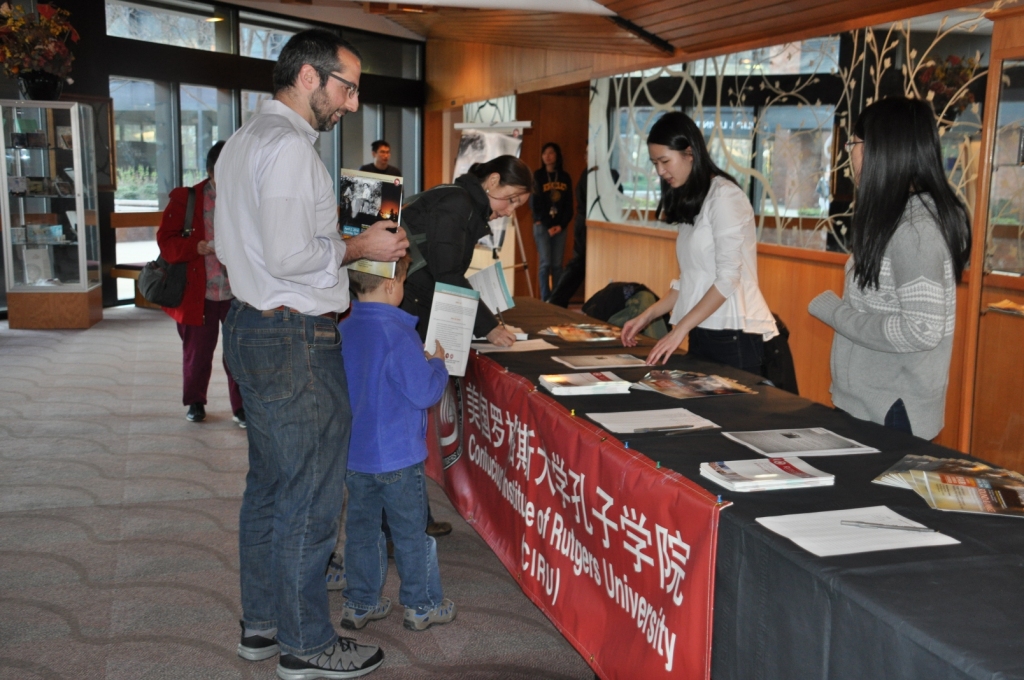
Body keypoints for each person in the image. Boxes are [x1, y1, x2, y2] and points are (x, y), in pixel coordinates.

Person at [215, 28, 408, 679]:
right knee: (310, 495)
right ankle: (305, 643)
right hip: (295, 336)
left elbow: (241, 247)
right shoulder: (290, 148)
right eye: (346, 88)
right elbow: (290, 254)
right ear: (308, 77)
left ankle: (264, 625)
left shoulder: (243, 141)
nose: (352, 103)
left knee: (270, 488)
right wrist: (361, 248)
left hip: (251, 325)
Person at [808, 97, 971, 439]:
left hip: (892, 407)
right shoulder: (899, 217)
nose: (851, 155)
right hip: (873, 401)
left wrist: (836, 314)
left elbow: (921, 329)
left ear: (878, 150)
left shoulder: (916, 230)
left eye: (853, 144)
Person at [339, 257, 457, 633]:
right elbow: (424, 392)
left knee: (361, 531)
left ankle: (360, 602)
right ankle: (422, 605)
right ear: (391, 285)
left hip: (356, 456)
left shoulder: (344, 328)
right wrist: (437, 365)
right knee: (410, 534)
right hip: (399, 456)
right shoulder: (399, 333)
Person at [621, 111, 777, 369]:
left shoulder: (724, 196)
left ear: (690, 153)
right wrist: (647, 316)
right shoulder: (692, 199)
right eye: (655, 163)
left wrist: (680, 329)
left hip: (732, 332)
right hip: (701, 327)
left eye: (665, 161)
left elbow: (728, 278)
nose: (660, 171)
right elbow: (691, 280)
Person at [156, 142, 245, 427]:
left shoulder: (246, 198)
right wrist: (196, 246)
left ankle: (241, 407)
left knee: (238, 352)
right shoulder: (187, 199)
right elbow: (166, 242)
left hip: (237, 291)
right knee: (197, 353)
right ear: (210, 171)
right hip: (198, 292)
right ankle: (195, 401)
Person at [399, 154, 529, 348]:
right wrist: (489, 328)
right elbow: (447, 273)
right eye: (511, 200)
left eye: (517, 206)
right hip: (406, 305)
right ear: (493, 181)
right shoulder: (457, 203)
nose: (510, 211)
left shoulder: (463, 203)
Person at [531, 142, 573, 301]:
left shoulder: (564, 177)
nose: (547, 156)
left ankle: (556, 299)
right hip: (543, 226)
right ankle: (545, 299)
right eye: (545, 153)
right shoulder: (538, 176)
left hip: (560, 227)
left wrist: (560, 225)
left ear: (557, 156)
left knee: (557, 265)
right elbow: (535, 203)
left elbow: (569, 205)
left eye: (551, 153)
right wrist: (548, 224)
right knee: (545, 263)